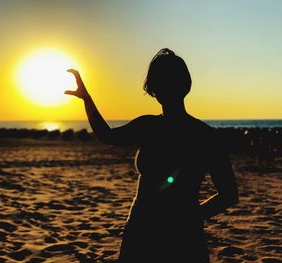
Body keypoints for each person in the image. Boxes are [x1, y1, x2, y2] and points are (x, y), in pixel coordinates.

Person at [64, 48, 239, 262]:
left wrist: (87, 99)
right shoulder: (205, 135)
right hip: (160, 230)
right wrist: (192, 217)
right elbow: (229, 194)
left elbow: (106, 135)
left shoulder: (152, 127)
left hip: (157, 229)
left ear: (154, 88)